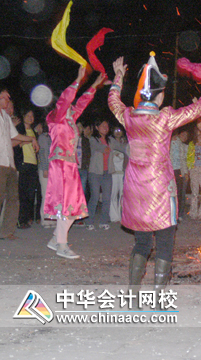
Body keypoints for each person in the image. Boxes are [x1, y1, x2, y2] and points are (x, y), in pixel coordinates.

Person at [108, 53, 201, 293]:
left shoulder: (128, 116)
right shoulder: (165, 118)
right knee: (164, 240)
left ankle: (133, 294)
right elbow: (199, 108)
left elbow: (113, 100)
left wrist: (118, 76)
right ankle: (157, 295)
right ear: (160, 94)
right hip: (160, 188)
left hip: (135, 187)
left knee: (142, 241)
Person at [44, 66, 106, 259]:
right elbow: (66, 100)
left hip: (70, 166)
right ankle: (61, 244)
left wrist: (95, 85)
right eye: (68, 104)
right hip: (60, 164)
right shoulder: (57, 117)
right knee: (66, 204)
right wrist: (78, 80)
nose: (73, 107)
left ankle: (56, 238)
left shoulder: (70, 119)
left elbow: (82, 103)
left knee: (75, 205)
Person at [0, 87, 39, 240]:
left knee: (13, 198)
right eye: (5, 98)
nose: (8, 101)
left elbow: (15, 136)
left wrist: (32, 139)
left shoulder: (6, 118)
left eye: (9, 100)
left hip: (10, 164)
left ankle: (7, 231)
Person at [85, 119, 127, 230]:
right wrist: (108, 148)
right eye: (103, 125)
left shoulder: (111, 140)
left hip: (107, 172)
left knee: (107, 197)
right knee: (94, 197)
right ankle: (89, 221)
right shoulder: (93, 139)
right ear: (97, 127)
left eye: (107, 126)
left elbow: (122, 147)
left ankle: (104, 221)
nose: (105, 128)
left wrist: (134, 148)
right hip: (95, 172)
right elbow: (100, 148)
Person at [14, 108, 42, 229]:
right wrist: (24, 142)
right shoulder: (19, 129)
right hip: (23, 163)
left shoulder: (33, 131)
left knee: (31, 193)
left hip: (33, 164)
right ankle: (20, 220)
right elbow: (15, 144)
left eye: (32, 116)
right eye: (28, 115)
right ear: (23, 116)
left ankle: (27, 217)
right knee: (22, 193)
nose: (30, 118)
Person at [187, 127, 201, 219]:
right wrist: (189, 168)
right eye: (198, 132)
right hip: (194, 170)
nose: (200, 134)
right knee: (194, 192)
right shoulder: (191, 144)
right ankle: (193, 212)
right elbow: (189, 157)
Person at [37, 122, 55, 228]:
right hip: (46, 169)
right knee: (46, 194)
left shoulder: (54, 137)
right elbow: (42, 153)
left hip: (54, 170)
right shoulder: (43, 137)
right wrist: (45, 169)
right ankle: (45, 219)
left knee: (52, 195)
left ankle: (52, 218)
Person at [110, 125, 128, 223]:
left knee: (123, 194)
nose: (117, 132)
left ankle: (122, 216)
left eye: (119, 130)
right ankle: (114, 216)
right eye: (115, 130)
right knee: (113, 194)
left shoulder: (125, 142)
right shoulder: (110, 141)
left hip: (123, 171)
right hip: (113, 172)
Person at [170, 129, 189, 221]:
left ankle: (179, 214)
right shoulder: (167, 142)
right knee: (169, 193)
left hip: (178, 171)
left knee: (179, 192)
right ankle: (169, 213)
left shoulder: (180, 145)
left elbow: (183, 160)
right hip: (169, 170)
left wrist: (185, 172)